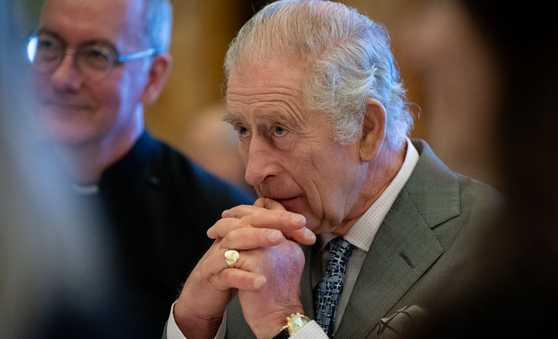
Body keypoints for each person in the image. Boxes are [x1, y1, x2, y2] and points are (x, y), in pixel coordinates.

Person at [165, 1, 502, 338]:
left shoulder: (490, 243)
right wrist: (193, 323)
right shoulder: (254, 242)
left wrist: (284, 321)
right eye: (242, 130)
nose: (253, 171)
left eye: (279, 131)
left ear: (367, 128)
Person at [26, 0, 253, 337]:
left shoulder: (214, 220)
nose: (63, 77)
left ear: (153, 76)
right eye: (48, 46)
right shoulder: (12, 188)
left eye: (96, 55)